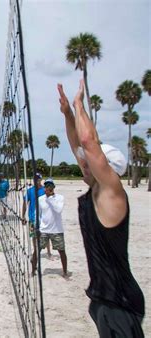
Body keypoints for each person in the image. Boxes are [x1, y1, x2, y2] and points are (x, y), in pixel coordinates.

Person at [59, 80, 145, 337]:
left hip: (120, 303)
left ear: (106, 168)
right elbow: (79, 146)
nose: (82, 165)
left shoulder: (111, 192)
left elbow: (86, 142)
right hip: (103, 301)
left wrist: (78, 103)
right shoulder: (95, 190)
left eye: (89, 163)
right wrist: (68, 114)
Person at [33, 178, 67, 278]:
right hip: (43, 229)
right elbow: (37, 214)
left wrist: (50, 198)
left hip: (57, 230)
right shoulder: (40, 199)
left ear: (53, 187)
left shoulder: (60, 198)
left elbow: (58, 210)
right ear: (44, 188)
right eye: (47, 186)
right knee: (37, 250)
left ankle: (64, 272)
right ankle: (33, 271)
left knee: (61, 251)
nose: (48, 188)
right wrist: (36, 226)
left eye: (50, 186)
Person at [22, 173, 51, 268]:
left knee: (46, 236)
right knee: (34, 238)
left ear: (41, 179)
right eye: (35, 179)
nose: (37, 180)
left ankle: (49, 252)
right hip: (32, 218)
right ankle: (36, 253)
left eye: (38, 179)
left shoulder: (45, 190)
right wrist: (23, 216)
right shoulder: (30, 191)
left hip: (44, 218)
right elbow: (25, 203)